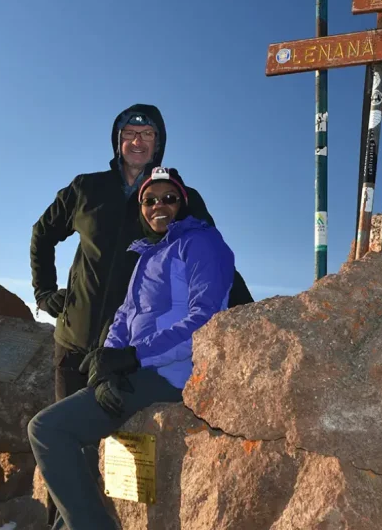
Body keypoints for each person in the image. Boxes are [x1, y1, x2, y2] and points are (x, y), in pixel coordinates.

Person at [28, 167, 235, 530]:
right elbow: (124, 316)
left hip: (170, 374)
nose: (159, 206)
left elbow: (204, 320)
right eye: (150, 200)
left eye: (168, 198)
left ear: (182, 204)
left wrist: (134, 357)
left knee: (47, 429)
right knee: (81, 444)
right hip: (137, 370)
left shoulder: (201, 243)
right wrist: (107, 362)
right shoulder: (148, 254)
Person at [30, 103, 253, 402]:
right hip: (73, 343)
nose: (137, 142)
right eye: (130, 133)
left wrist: (249, 315)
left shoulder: (177, 197)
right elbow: (42, 234)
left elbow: (214, 262)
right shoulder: (86, 188)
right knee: (71, 432)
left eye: (147, 134)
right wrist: (44, 291)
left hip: (131, 351)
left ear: (158, 144)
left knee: (125, 446)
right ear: (117, 140)